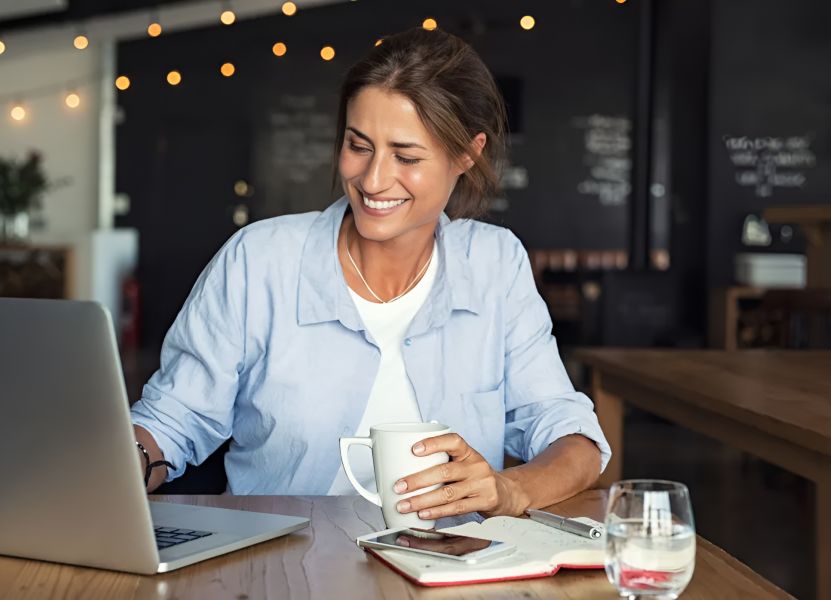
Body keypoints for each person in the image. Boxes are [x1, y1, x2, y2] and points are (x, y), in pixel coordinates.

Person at [131, 27, 610, 521]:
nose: (374, 179)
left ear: (467, 154)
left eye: (406, 156)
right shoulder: (260, 259)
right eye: (359, 146)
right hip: (283, 573)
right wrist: (123, 462)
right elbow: (173, 419)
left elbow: (572, 438)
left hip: (454, 579)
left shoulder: (495, 265)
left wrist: (510, 490)